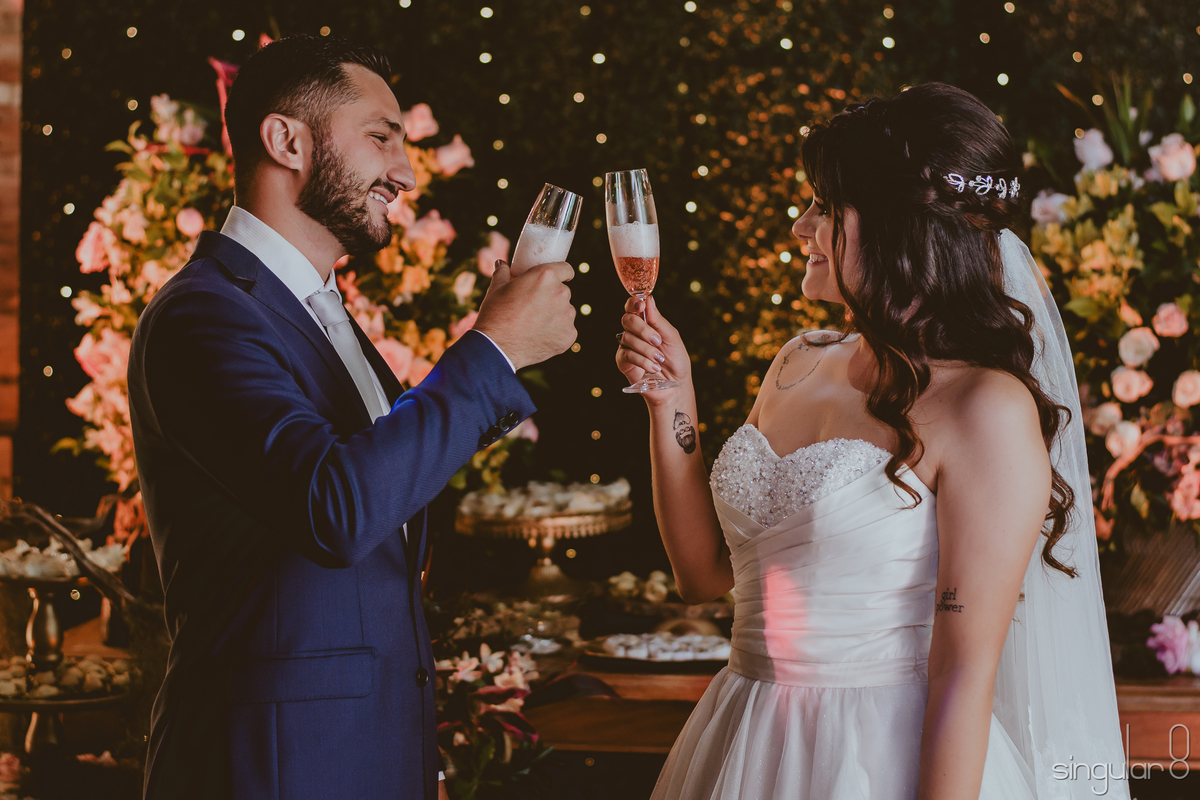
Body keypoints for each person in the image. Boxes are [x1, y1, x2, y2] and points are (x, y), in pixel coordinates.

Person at [615, 82, 1128, 799]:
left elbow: (962, 677)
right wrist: (671, 400)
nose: (800, 226)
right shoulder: (796, 361)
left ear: (894, 226)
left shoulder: (984, 408)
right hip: (741, 734)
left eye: (824, 209)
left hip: (877, 761)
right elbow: (702, 577)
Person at [128, 35, 576, 800]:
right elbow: (336, 507)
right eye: (381, 138)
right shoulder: (201, 318)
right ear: (287, 141)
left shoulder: (317, 311)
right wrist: (493, 349)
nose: (404, 173)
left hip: (369, 756)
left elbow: (380, 505)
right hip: (269, 770)